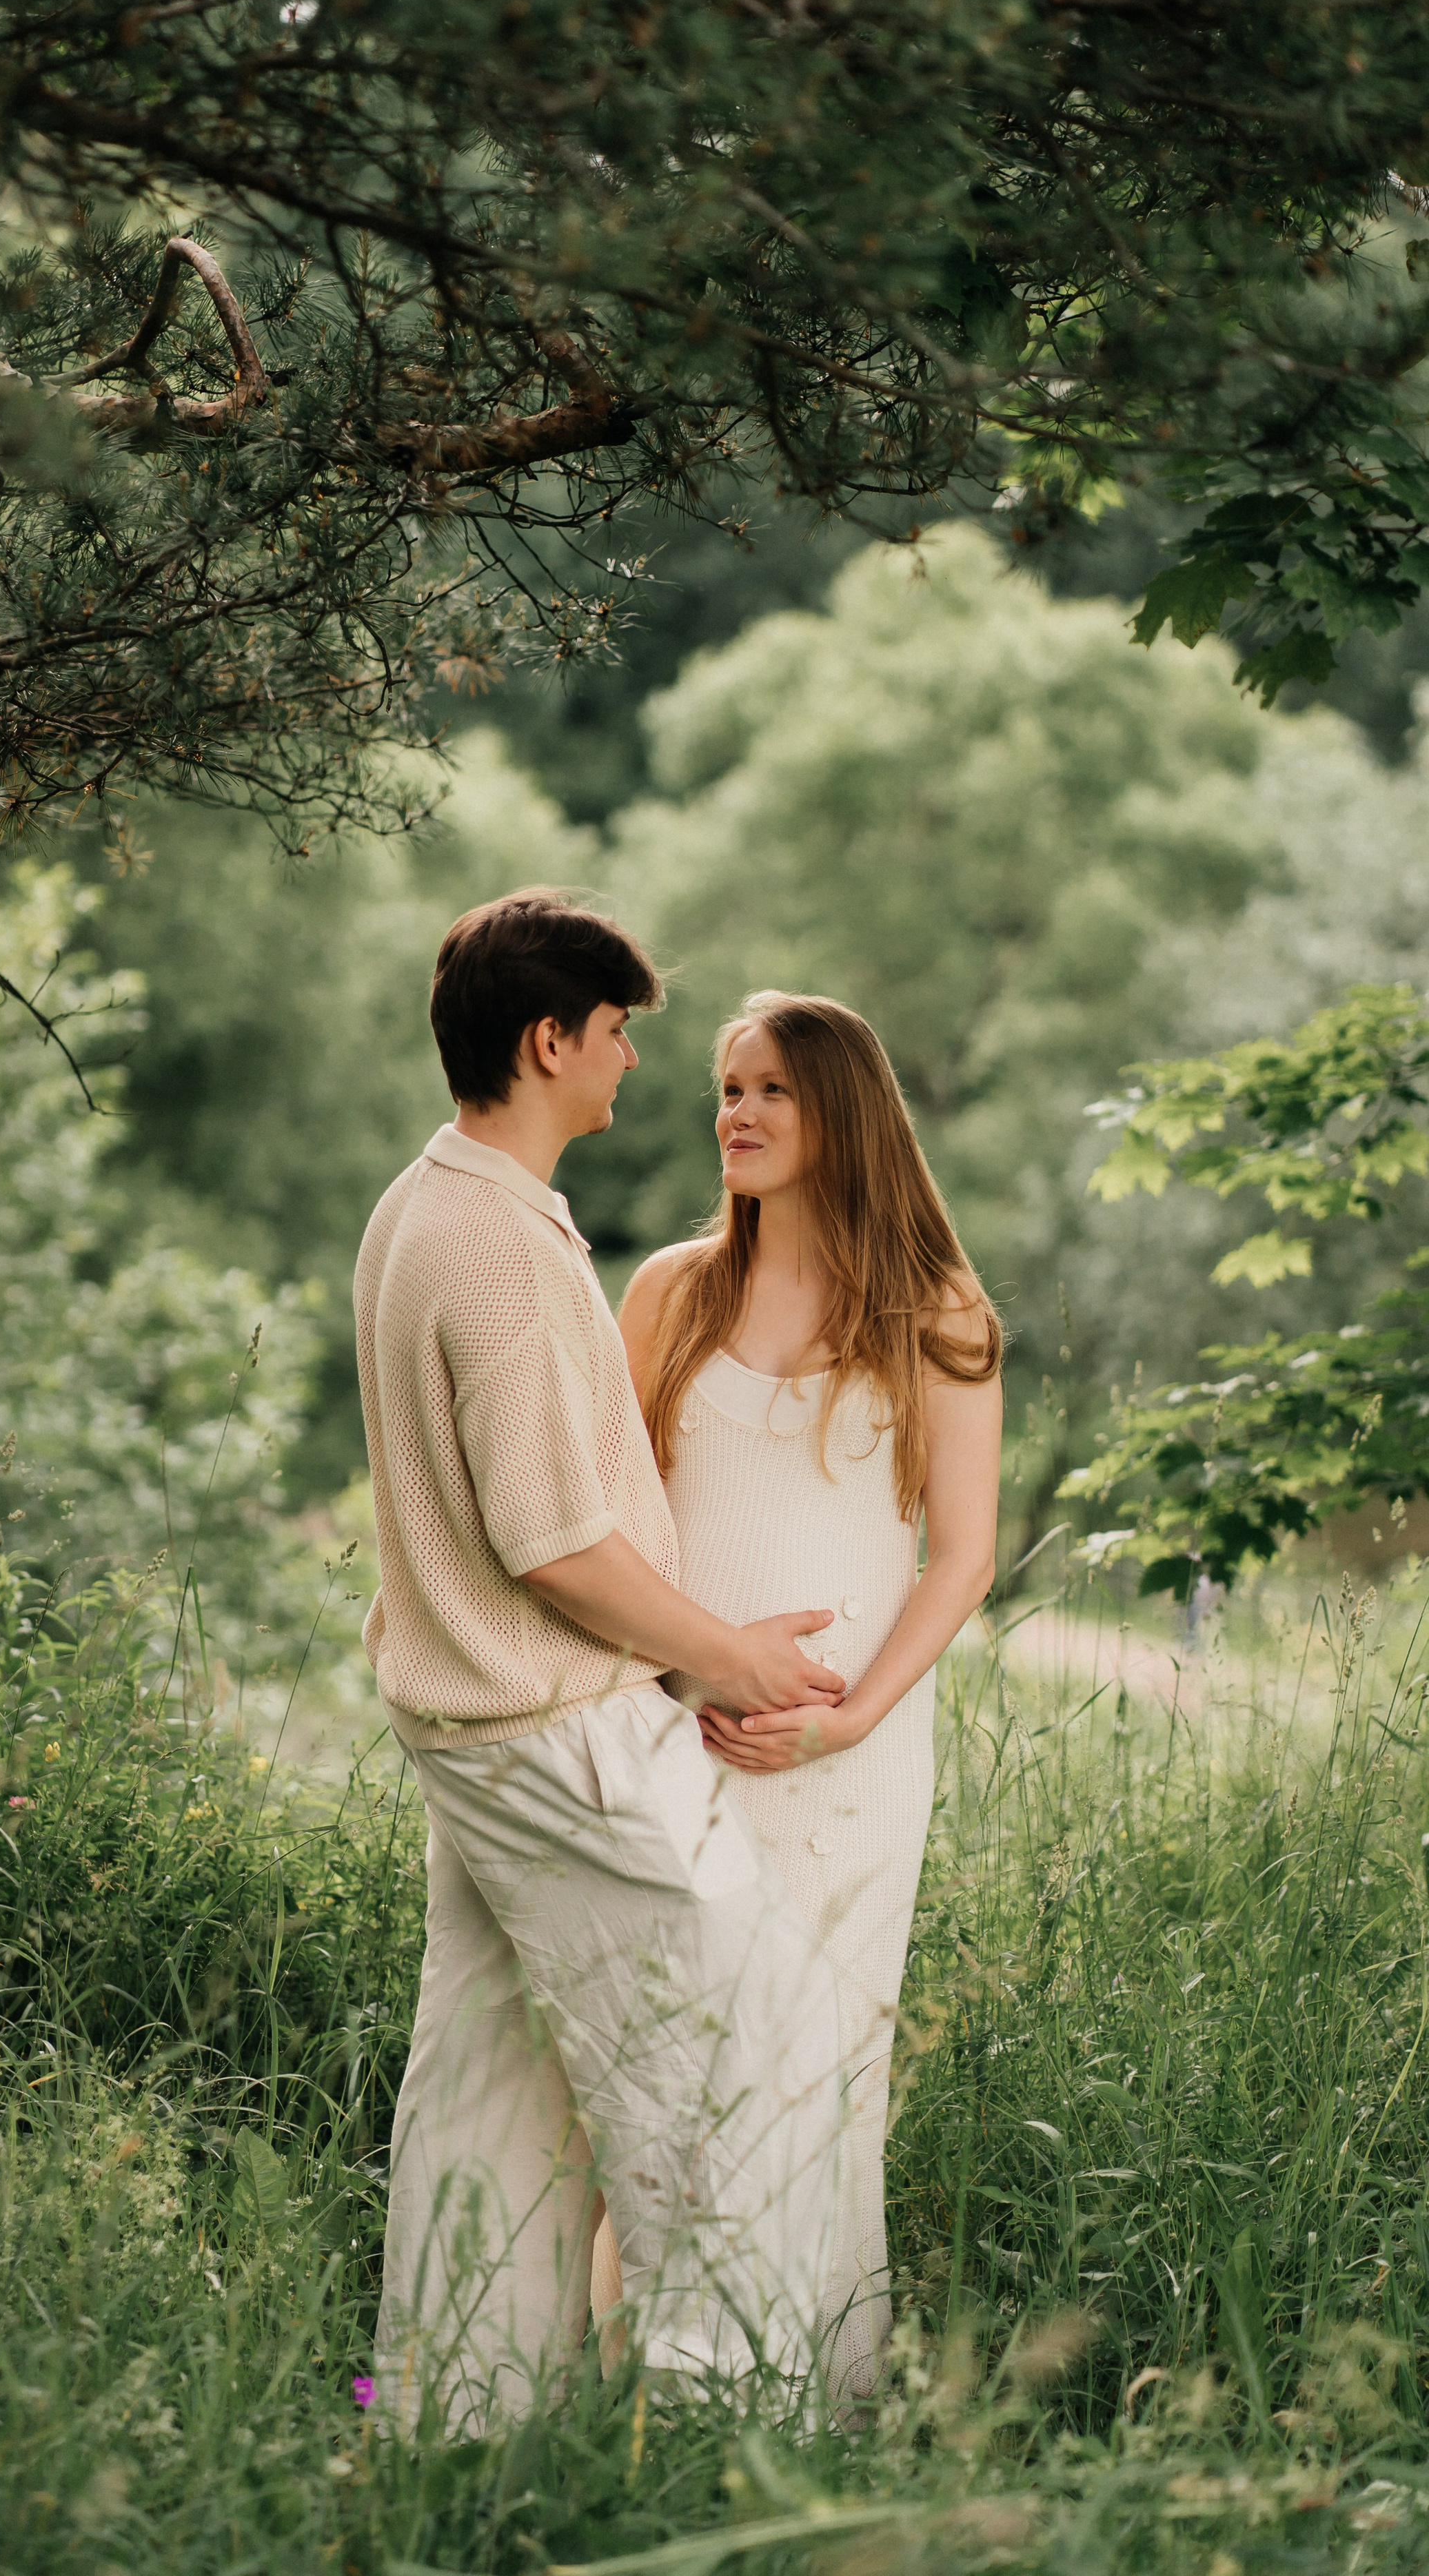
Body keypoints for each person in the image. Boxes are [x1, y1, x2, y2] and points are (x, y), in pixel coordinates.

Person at [358, 893, 853, 2431]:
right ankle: (727, 2428)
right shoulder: (494, 1246)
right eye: (621, 1033)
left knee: (491, 2092)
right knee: (729, 2055)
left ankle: (455, 2427)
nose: (638, 1065)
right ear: (547, 1040)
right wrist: (725, 1660)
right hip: (553, 1733)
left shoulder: (421, 1205)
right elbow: (551, 1545)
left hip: (475, 1732)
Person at [609, 991, 1002, 2401]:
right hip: (668, 1735)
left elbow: (958, 1557)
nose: (735, 1112)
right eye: (724, 1086)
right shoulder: (666, 1291)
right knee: (666, 2067)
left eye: (769, 1088)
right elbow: (616, 1521)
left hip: (845, 1758)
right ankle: (648, 2393)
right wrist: (676, 1668)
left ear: (840, 1110)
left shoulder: (935, 1309)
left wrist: (848, 1716)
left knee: (814, 2070)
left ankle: (802, 2403)